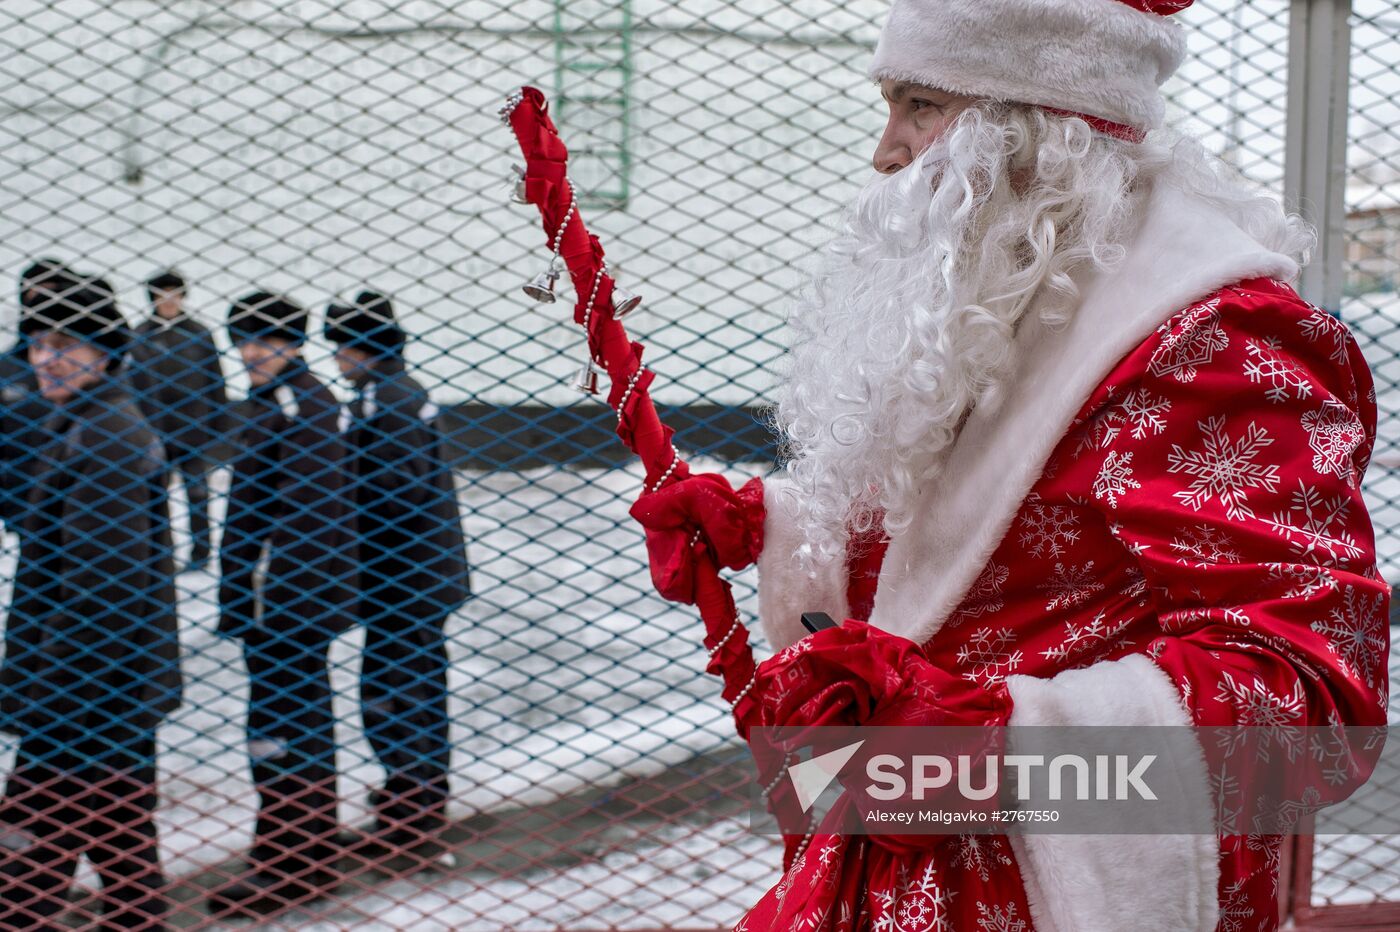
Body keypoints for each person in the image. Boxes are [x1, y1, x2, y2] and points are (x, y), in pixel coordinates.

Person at [630, 0, 1390, 928]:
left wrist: (996, 756)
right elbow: (981, 546)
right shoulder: (1030, 287)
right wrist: (780, 526)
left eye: (919, 105)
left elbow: (1307, 705)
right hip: (907, 850)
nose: (885, 151)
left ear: (1033, 127)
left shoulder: (1216, 341)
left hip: (1044, 893)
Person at [0, 274, 180, 930]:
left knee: (21, 859)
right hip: (110, 698)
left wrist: (43, 703)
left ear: (102, 350)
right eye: (36, 341)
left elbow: (103, 599)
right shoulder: (88, 420)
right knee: (121, 844)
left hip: (82, 701)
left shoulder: (104, 438)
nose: (42, 357)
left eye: (62, 343)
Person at [210, 292, 356, 916]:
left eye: (265, 341)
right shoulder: (278, 400)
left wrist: (273, 611)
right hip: (273, 602)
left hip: (286, 609)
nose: (250, 353)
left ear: (294, 343)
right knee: (290, 728)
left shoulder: (302, 405)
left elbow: (308, 521)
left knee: (284, 731)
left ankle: (289, 864)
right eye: (242, 339)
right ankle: (301, 854)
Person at [325, 292, 469, 863]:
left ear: (364, 349)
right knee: (419, 688)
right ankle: (417, 800)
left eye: (341, 346)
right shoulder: (401, 393)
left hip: (400, 578)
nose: (335, 358)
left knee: (393, 693)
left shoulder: (384, 403)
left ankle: (408, 814)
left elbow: (394, 494)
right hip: (423, 574)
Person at [127, 270, 229, 573]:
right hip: (154, 431)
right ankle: (162, 554)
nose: (169, 300)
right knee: (155, 497)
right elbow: (132, 384)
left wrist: (217, 424)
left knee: (197, 494)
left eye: (175, 293)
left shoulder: (198, 333)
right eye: (162, 294)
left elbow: (215, 380)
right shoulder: (141, 335)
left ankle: (202, 552)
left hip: (194, 430)